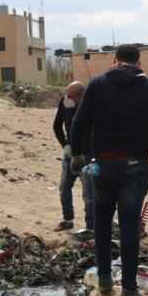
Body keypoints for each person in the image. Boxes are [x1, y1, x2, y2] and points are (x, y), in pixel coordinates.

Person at [70, 44, 148, 296]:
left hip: (103, 166)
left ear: (115, 60)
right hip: (135, 168)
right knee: (128, 227)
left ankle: (104, 280)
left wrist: (77, 154)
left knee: (102, 223)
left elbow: (79, 122)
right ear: (138, 62)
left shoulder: (98, 84)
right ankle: (128, 289)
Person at [53, 81, 94, 231]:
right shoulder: (65, 103)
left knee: (89, 193)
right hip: (70, 153)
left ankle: (91, 226)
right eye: (67, 95)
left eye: (71, 96)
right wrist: (65, 145)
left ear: (80, 95)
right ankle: (67, 219)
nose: (68, 98)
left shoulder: (91, 105)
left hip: (88, 154)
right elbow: (57, 125)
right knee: (64, 187)